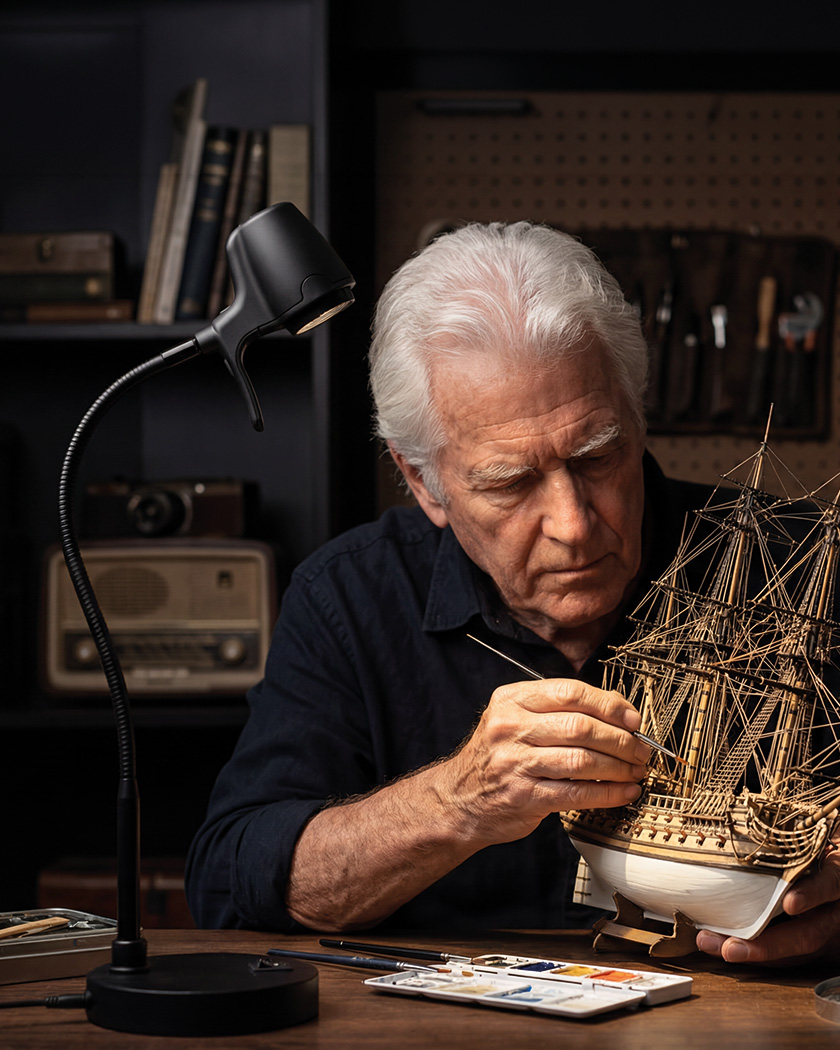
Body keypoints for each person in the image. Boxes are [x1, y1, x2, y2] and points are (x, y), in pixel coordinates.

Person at [185, 221, 840, 965]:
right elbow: (235, 881)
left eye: (599, 456)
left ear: (637, 415)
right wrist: (457, 801)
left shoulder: (802, 563)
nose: (572, 524)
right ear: (421, 481)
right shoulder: (351, 597)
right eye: (509, 482)